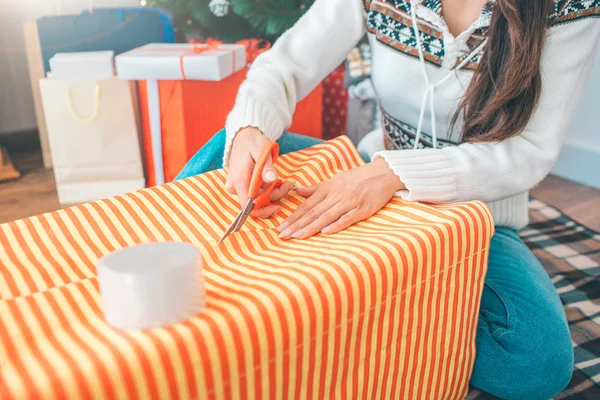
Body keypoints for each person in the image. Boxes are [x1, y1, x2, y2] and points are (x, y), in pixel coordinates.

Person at [177, 1, 600, 398]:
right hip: (362, 172)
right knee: (226, 150)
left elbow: (528, 153)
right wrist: (251, 127)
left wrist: (390, 174)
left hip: (473, 212)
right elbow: (283, 67)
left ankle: (336, 315)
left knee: (535, 362)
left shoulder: (567, 7)